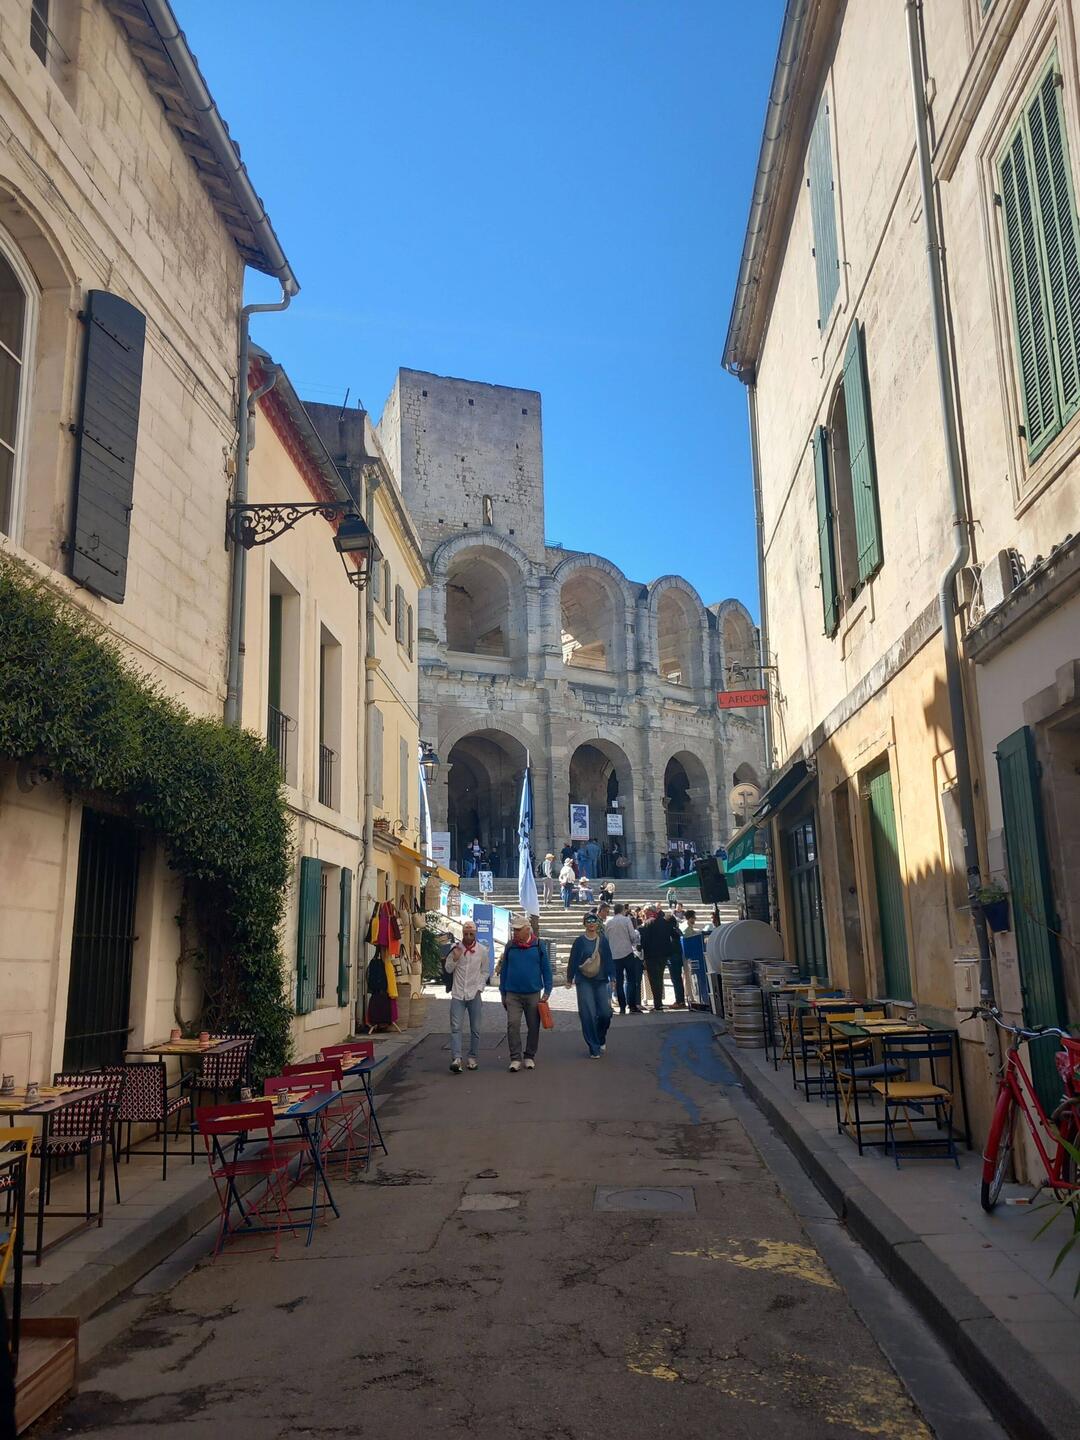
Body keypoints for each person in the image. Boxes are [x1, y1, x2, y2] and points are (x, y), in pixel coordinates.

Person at [499, 913, 553, 1071]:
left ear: (527, 930)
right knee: (512, 1024)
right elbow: (504, 970)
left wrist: (547, 990)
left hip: (533, 993)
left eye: (518, 930)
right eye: (514, 930)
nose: (515, 933)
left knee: (533, 1026)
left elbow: (546, 969)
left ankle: (529, 1056)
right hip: (512, 993)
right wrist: (502, 992)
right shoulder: (510, 946)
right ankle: (515, 1058)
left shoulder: (539, 945)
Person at [566, 911, 615, 1058]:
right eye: (588, 921)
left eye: (594, 921)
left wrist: (612, 977)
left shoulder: (603, 940)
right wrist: (569, 978)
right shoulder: (579, 941)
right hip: (584, 980)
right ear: (584, 923)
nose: (591, 923)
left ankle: (600, 1037)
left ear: (597, 923)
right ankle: (593, 1046)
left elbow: (609, 958)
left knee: (606, 1013)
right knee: (588, 1013)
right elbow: (573, 960)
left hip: (600, 980)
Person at [445, 919, 487, 1073]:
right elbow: (448, 969)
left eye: (471, 933)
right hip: (458, 994)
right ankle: (456, 1058)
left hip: (474, 994)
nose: (468, 936)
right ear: (462, 933)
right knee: (456, 1027)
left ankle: (472, 1057)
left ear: (475, 934)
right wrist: (455, 959)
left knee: (475, 1028)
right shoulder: (455, 948)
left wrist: (479, 988)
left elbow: (485, 971)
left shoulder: (482, 950)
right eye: (465, 933)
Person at [606, 903, 642, 1015]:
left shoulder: (608, 922)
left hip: (614, 955)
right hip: (627, 952)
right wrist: (634, 943)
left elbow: (606, 939)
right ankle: (631, 1005)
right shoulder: (626, 920)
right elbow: (632, 936)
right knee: (631, 980)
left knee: (619, 982)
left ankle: (622, 1007)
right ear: (622, 911)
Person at [641, 907, 673, 1011]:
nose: (645, 914)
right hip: (663, 955)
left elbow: (644, 940)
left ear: (650, 912)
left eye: (646, 912)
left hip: (651, 956)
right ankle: (659, 1002)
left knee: (654, 980)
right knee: (659, 977)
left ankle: (657, 1003)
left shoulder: (648, 923)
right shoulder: (664, 922)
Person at [662, 907, 687, 1007]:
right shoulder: (677, 930)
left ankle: (679, 1001)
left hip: (673, 956)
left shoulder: (669, 931)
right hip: (678, 955)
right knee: (678, 979)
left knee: (675, 979)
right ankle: (680, 1000)